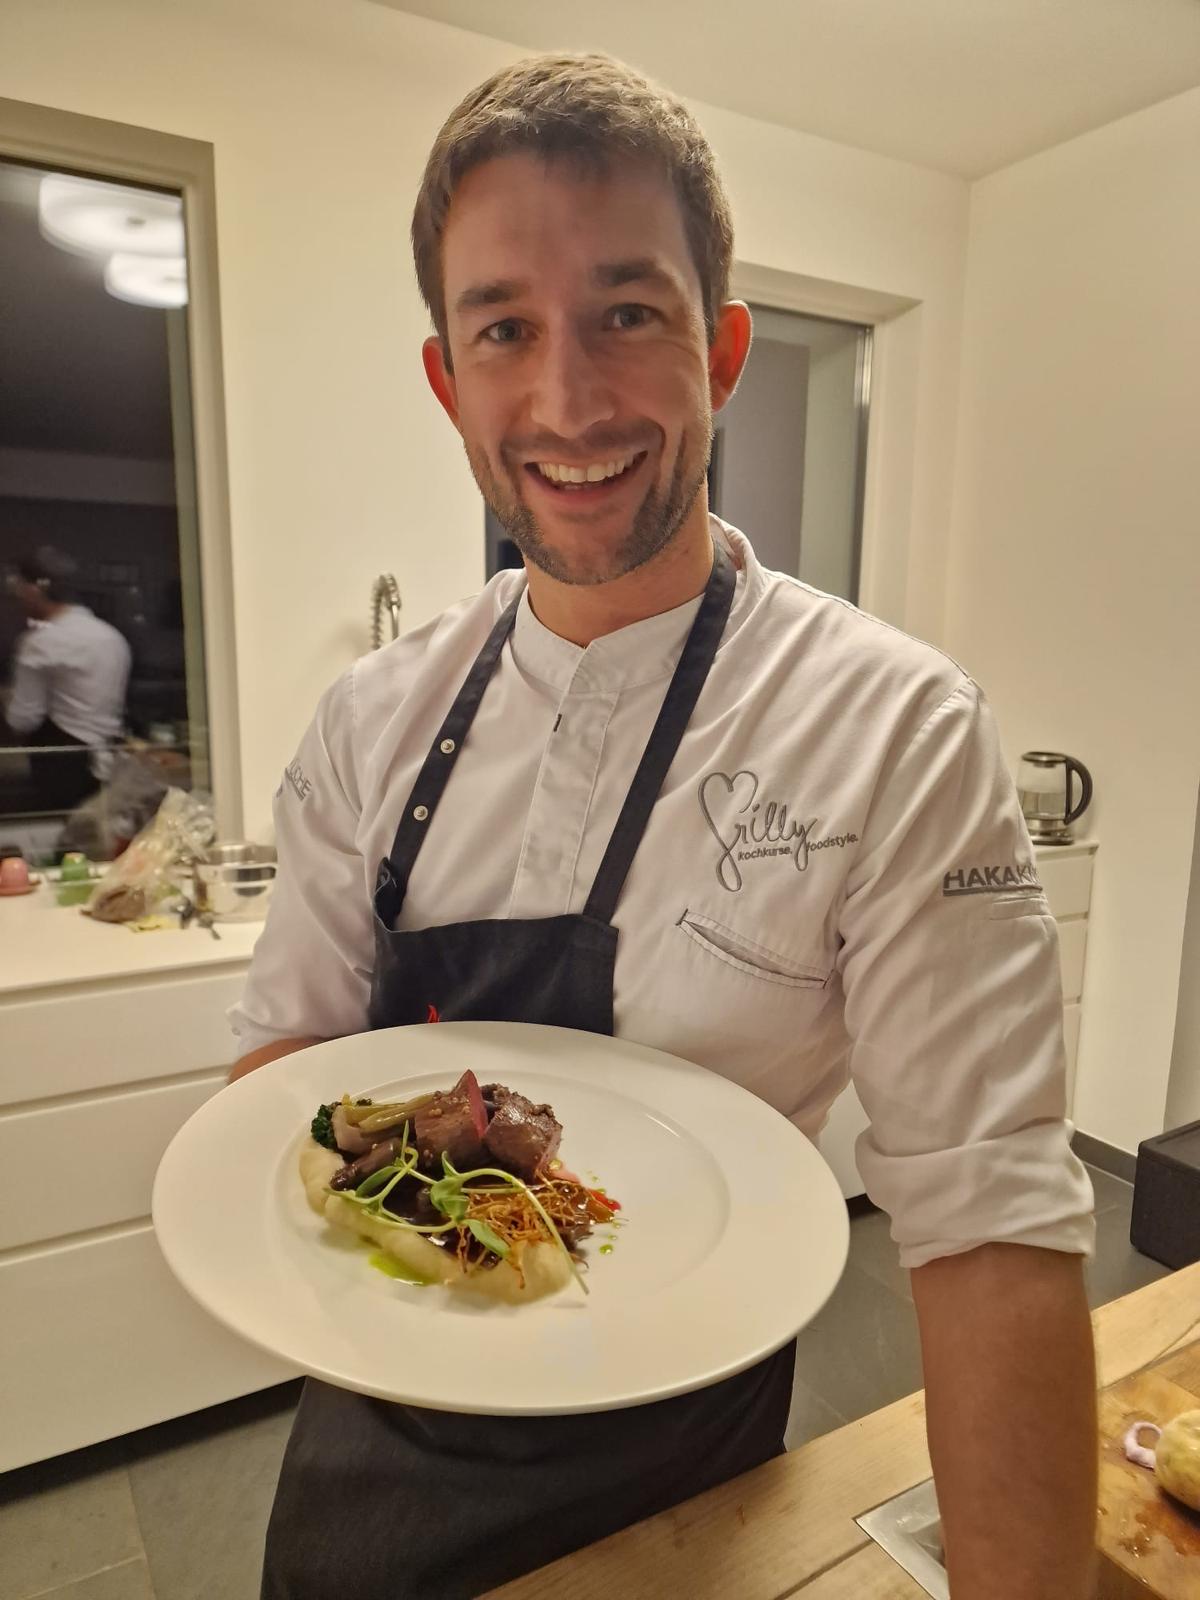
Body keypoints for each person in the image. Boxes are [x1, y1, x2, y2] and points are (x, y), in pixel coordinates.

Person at [230, 53, 1098, 1600]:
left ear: (725, 351)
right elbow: (282, 1071)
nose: (568, 401)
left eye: (628, 313)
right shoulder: (371, 719)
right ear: (447, 379)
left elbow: (991, 1231)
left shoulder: (895, 728)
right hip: (369, 1446)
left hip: (689, 1476)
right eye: (505, 329)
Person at [3, 552, 131, 812]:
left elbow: (23, 719)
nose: (18, 596)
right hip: (108, 758)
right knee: (97, 828)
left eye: (19, 588)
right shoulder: (111, 636)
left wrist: (6, 698)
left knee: (60, 831)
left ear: (34, 589)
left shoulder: (40, 643)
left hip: (63, 764)